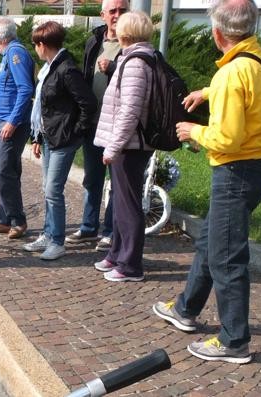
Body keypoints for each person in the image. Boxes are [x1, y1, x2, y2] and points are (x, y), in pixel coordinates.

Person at [152, 0, 261, 364]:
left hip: (236, 171)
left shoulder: (230, 74)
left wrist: (195, 131)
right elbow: (252, 89)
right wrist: (207, 93)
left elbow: (227, 139)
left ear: (217, 32)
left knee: (227, 256)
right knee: (212, 239)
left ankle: (234, 340)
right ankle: (185, 309)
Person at [22, 21, 98, 261]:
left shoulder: (66, 69)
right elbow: (42, 105)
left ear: (42, 45)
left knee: (53, 190)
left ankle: (57, 241)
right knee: (48, 189)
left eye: (36, 44)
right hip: (48, 137)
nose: (35, 48)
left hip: (63, 139)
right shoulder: (48, 69)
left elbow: (88, 104)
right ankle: (47, 233)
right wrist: (37, 136)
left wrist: (75, 132)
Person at [91, 11, 156, 283]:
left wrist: (113, 147)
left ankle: (130, 265)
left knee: (128, 204)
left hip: (130, 146)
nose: (114, 26)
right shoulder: (132, 59)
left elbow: (130, 111)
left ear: (127, 33)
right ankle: (117, 253)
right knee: (120, 201)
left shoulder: (136, 63)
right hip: (126, 144)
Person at [70, 0, 130, 252]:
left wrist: (115, 67)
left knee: (116, 182)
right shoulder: (94, 41)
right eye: (112, 11)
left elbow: (139, 78)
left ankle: (110, 231)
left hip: (118, 126)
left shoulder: (133, 43)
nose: (117, 15)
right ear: (102, 14)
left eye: (122, 10)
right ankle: (88, 226)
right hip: (93, 123)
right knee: (92, 178)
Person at [0, 15, 35, 240]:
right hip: (4, 121)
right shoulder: (9, 53)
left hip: (10, 123)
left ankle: (18, 220)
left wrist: (13, 122)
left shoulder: (16, 54)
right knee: (7, 170)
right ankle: (5, 220)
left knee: (4, 171)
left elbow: (26, 89)